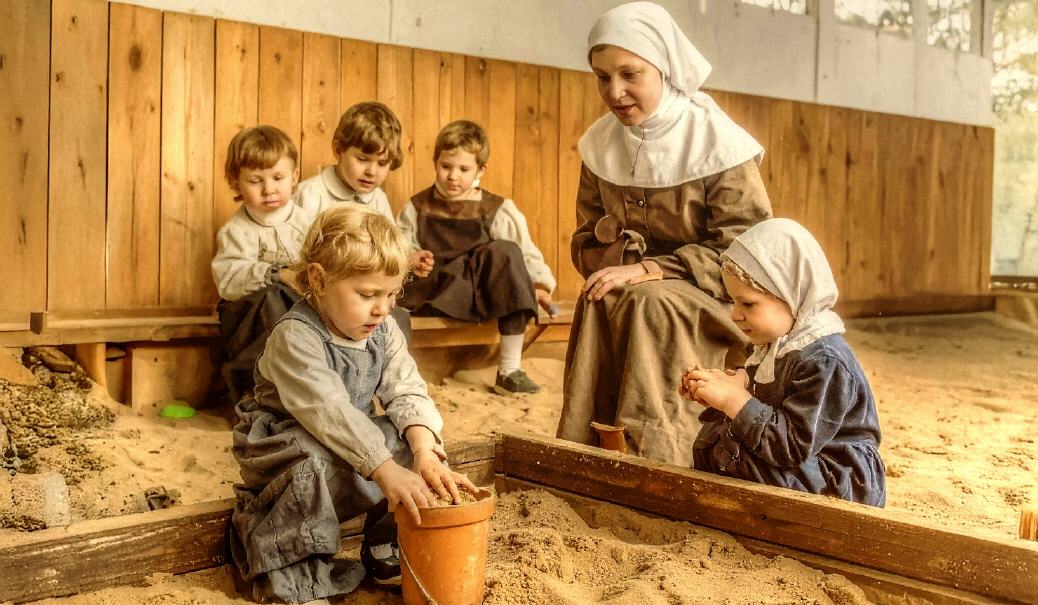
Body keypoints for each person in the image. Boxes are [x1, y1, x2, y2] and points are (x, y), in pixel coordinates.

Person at [556, 1, 772, 465]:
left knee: (648, 301)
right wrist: (613, 254)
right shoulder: (600, 145)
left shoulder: (716, 141)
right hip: (635, 291)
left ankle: (660, 451)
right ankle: (592, 446)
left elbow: (748, 254)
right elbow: (584, 237)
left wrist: (654, 268)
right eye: (602, 76)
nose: (615, 91)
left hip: (716, 298)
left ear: (664, 68)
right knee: (602, 294)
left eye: (630, 74)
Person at [228, 204, 477, 604]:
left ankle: (384, 544)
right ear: (318, 280)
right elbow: (328, 411)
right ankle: (298, 580)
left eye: (392, 293)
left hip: (350, 443)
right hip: (284, 446)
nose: (382, 307)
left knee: (407, 438)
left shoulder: (384, 328)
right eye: (367, 294)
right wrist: (386, 470)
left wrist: (424, 451)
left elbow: (406, 389)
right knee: (309, 463)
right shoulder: (295, 336)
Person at [684, 218, 886, 507]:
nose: (734, 315)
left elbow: (791, 446)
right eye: (733, 302)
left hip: (835, 475)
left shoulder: (824, 361)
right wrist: (727, 392)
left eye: (748, 304)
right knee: (715, 437)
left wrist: (735, 401)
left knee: (739, 455)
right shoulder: (772, 344)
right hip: (798, 460)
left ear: (793, 296)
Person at [398, 120, 557, 394]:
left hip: (477, 292)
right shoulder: (416, 207)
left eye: (463, 169)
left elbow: (525, 251)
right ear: (435, 162)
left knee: (506, 250)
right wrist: (413, 258)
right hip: (433, 289)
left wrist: (539, 285)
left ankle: (509, 369)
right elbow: (397, 248)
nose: (453, 176)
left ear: (481, 170)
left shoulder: (496, 208)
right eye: (446, 166)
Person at [294, 101, 412, 340]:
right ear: (338, 150)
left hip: (367, 296)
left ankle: (387, 373)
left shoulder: (378, 199)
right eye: (362, 159)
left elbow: (390, 248)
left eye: (382, 163)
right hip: (322, 292)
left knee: (398, 318)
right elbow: (298, 253)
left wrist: (410, 257)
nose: (371, 171)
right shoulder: (311, 193)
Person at [212, 125, 313, 403]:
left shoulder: (307, 223)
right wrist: (278, 274)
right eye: (256, 181)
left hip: (298, 308)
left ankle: (303, 384)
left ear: (294, 177)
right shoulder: (236, 231)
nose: (269, 189)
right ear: (235, 183)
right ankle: (252, 386)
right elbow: (228, 281)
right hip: (249, 317)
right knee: (273, 298)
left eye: (278, 177)